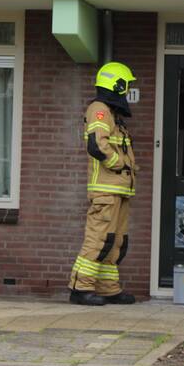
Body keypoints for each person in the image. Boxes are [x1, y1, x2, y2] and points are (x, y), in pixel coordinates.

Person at [68, 61, 138, 306]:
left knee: (116, 241)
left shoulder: (112, 113)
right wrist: (119, 163)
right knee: (98, 239)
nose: (127, 92)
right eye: (126, 86)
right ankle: (80, 288)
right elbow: (97, 145)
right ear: (116, 85)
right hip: (105, 190)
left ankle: (109, 288)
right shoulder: (99, 109)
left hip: (119, 190)